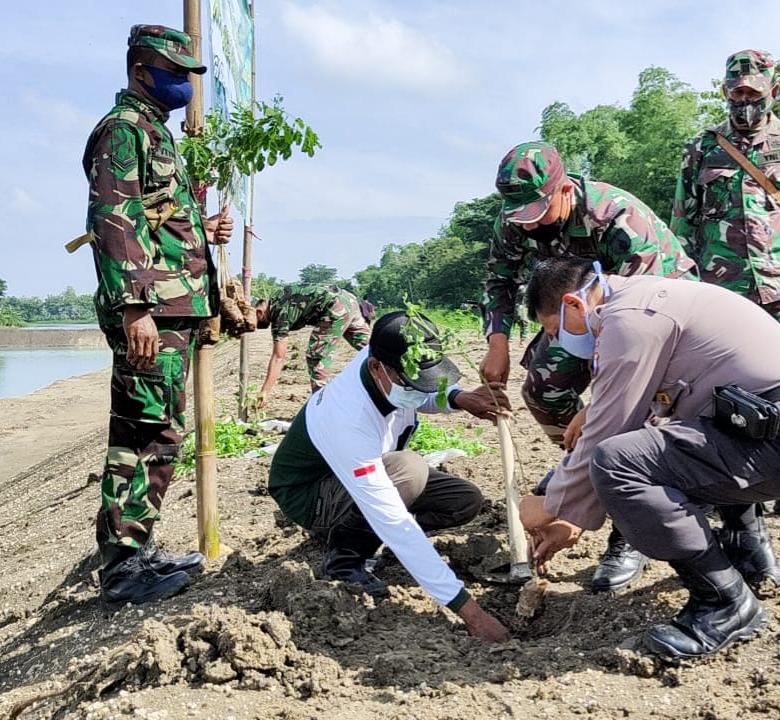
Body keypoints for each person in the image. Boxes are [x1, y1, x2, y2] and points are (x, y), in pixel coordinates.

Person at [518, 257, 780, 659]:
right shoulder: (653, 295)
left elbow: (608, 437)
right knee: (676, 447)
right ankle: (748, 554)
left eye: (555, 330)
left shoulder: (629, 318)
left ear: (573, 304)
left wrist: (552, 505)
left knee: (618, 463)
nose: (561, 342)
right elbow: (650, 416)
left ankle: (724, 604)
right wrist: (575, 508)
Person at [480, 141, 698, 595]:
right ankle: (589, 475)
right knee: (544, 387)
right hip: (580, 311)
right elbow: (499, 277)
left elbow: (640, 334)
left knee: (634, 418)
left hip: (660, 320)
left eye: (538, 210)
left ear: (564, 189)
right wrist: (497, 340)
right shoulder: (517, 214)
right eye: (520, 215)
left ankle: (630, 527)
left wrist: (599, 406)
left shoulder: (617, 220)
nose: (529, 223)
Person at [84, 24, 235, 604]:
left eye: (191, 75)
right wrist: (135, 309)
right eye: (177, 73)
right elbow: (115, 224)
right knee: (145, 434)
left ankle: (137, 549)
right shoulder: (123, 133)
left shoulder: (154, 133)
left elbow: (156, 218)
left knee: (156, 432)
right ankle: (123, 569)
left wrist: (204, 229)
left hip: (172, 308)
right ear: (141, 71)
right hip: (152, 313)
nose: (186, 84)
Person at [268, 310, 512, 642]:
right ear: (376, 369)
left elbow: (421, 391)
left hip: (356, 477)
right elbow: (393, 518)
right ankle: (345, 558)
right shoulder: (348, 419)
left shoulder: (386, 363)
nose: (418, 390)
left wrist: (460, 398)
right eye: (411, 382)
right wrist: (471, 613)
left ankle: (380, 540)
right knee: (408, 470)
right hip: (309, 494)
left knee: (464, 500)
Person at [671, 49, 780, 519]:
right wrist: (683, 289)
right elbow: (682, 225)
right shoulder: (701, 148)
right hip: (720, 292)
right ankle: (733, 482)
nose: (744, 101)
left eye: (753, 94)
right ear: (724, 91)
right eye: (736, 92)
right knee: (721, 385)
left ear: (772, 92)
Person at [254, 283, 371, 406]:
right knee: (373, 347)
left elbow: (278, 357)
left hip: (334, 307)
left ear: (260, 312)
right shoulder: (278, 295)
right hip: (348, 299)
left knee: (316, 357)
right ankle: (392, 363)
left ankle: (322, 405)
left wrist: (265, 391)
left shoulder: (278, 312)